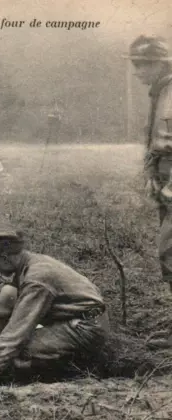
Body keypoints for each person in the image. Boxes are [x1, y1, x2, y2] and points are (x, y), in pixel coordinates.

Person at [0, 223, 109, 390]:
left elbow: (18, 329)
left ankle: (40, 382)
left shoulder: (37, 280)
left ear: (5, 258)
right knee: (8, 293)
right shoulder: (31, 262)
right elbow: (9, 286)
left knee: (19, 350)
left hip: (87, 327)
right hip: (78, 318)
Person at [123, 35, 172, 349]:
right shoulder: (161, 90)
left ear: (160, 63)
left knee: (169, 250)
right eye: (135, 64)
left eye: (143, 64)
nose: (137, 71)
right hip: (165, 179)